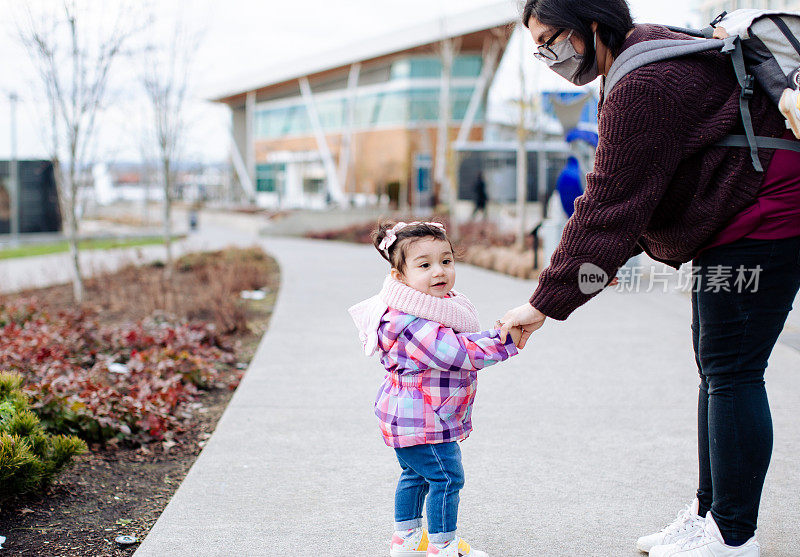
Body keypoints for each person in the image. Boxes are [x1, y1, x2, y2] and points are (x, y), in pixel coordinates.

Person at [499, 1, 800, 556]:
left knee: (733, 370)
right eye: (537, 46)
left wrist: (543, 305)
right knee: (717, 369)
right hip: (740, 212)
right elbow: (643, 192)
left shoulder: (644, 81)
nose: (546, 56)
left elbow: (610, 207)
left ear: (591, 25)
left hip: (765, 214)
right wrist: (597, 266)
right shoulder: (643, 57)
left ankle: (733, 537)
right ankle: (711, 515)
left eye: (552, 40)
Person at [349, 221, 522, 557]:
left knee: (415, 475)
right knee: (446, 478)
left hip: (413, 416)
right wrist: (506, 342)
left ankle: (407, 540)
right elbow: (459, 352)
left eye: (446, 260)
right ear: (400, 277)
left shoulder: (426, 308)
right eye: (424, 265)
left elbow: (461, 340)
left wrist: (495, 333)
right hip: (424, 421)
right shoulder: (410, 323)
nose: (439, 271)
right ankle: (443, 546)